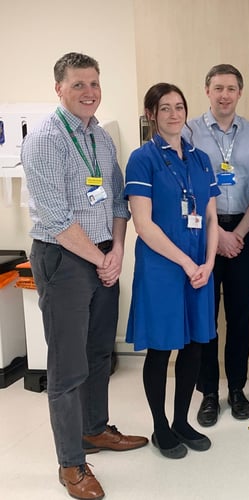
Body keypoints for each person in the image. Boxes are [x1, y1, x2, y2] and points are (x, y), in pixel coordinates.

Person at [21, 52, 147, 500]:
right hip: (65, 260)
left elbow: (116, 200)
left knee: (98, 355)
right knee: (67, 367)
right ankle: (71, 464)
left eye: (94, 83)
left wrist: (117, 250)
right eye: (78, 84)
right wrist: (100, 257)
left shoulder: (100, 137)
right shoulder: (45, 140)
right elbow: (55, 219)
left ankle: (95, 429)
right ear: (59, 88)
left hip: (101, 257)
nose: (89, 92)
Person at [124, 83, 220, 459]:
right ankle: (161, 426)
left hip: (200, 264)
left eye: (179, 107)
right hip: (163, 265)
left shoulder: (199, 159)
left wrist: (209, 262)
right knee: (163, 348)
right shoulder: (142, 158)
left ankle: (182, 420)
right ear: (152, 114)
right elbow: (143, 224)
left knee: (196, 344)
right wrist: (185, 261)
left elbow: (210, 216)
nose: (174, 114)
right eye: (165, 108)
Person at [187, 64, 249, 427]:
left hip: (244, 231)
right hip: (203, 232)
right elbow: (187, 189)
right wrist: (216, 235)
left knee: (238, 317)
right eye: (218, 87)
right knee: (206, 317)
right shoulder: (188, 132)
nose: (224, 95)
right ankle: (208, 393)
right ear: (207, 90)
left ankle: (236, 389)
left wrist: (237, 234)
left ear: (239, 93)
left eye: (231, 89)